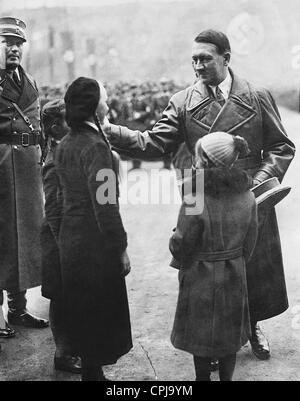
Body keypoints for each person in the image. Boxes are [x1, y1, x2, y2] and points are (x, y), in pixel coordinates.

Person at [103, 29, 295, 361]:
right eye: (193, 59)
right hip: (203, 197)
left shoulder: (257, 96)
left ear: (226, 58)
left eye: (205, 58)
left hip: (250, 196)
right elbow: (154, 143)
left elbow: (282, 147)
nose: (198, 66)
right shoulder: (182, 102)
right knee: (210, 272)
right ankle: (215, 341)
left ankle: (252, 328)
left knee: (251, 266)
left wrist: (260, 183)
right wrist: (111, 132)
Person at [55, 77, 132, 381]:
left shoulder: (66, 144)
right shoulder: (97, 148)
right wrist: (121, 249)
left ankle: (91, 372)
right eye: (104, 97)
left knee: (82, 313)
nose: (108, 101)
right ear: (92, 106)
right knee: (99, 315)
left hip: (71, 241)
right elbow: (106, 207)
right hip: (94, 246)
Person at [169, 132, 257, 381]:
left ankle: (202, 379)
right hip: (234, 274)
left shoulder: (194, 196)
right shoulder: (247, 196)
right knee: (229, 338)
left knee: (201, 336)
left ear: (205, 162)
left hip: (200, 275)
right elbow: (250, 242)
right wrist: (235, 262)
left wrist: (175, 241)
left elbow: (181, 243)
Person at [0, 16, 48, 337]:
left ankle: (18, 308)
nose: (14, 49)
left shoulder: (28, 79)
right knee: (2, 235)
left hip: (28, 167)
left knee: (27, 236)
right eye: (7, 43)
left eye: (18, 44)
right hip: (1, 165)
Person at [40, 99, 81, 374]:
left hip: (70, 237)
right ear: (55, 128)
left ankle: (73, 348)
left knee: (72, 296)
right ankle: (63, 353)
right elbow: (54, 211)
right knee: (61, 298)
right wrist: (66, 247)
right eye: (69, 121)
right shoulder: (55, 162)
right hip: (60, 240)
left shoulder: (67, 152)